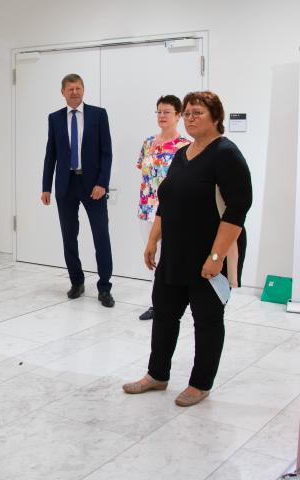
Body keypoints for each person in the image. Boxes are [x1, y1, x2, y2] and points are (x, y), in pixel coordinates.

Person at [122, 91, 252, 407]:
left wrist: (216, 257)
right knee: (165, 312)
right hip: (175, 251)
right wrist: (153, 240)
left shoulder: (226, 154)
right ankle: (157, 375)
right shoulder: (183, 154)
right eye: (189, 113)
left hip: (209, 253)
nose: (191, 118)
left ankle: (200, 383)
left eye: (198, 112)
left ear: (216, 117)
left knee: (207, 319)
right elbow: (166, 201)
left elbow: (237, 210)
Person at [41, 73, 115, 307]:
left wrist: (102, 183)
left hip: (93, 185)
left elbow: (107, 153)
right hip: (65, 184)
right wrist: (46, 187)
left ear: (83, 90)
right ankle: (77, 282)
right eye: (70, 88)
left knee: (100, 235)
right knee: (69, 236)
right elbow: (50, 154)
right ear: (62, 92)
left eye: (78, 88)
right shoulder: (54, 118)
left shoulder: (98, 115)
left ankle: (104, 287)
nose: (74, 92)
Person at [136, 95, 190, 320]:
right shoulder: (148, 142)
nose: (162, 116)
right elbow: (143, 171)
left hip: (172, 210)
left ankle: (169, 304)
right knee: (151, 256)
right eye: (158, 111)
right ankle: (155, 303)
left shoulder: (185, 145)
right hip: (147, 208)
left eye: (167, 112)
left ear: (178, 115)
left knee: (171, 258)